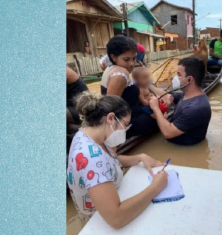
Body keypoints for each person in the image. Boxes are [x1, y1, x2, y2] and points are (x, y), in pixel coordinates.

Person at [67, 91, 168, 228]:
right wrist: (156, 187)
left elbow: (107, 161)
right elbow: (116, 218)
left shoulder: (88, 134)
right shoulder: (91, 157)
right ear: (110, 118)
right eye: (125, 124)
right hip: (99, 224)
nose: (125, 129)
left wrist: (139, 158)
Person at [101, 35, 168, 138]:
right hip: (127, 122)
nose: (132, 63)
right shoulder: (120, 75)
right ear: (113, 57)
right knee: (161, 116)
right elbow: (109, 107)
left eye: (133, 58)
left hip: (131, 114)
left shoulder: (111, 68)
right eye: (126, 59)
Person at [149, 57, 211, 146]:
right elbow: (167, 96)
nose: (176, 77)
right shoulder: (187, 94)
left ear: (189, 80)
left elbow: (168, 133)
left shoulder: (196, 108)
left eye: (179, 74)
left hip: (183, 149)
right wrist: (147, 84)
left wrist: (156, 109)